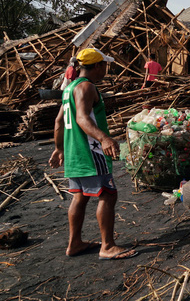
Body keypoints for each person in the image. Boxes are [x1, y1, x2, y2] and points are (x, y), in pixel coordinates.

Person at [49, 48, 138, 260]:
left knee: (79, 196)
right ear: (97, 66)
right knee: (107, 194)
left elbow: (59, 121)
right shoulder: (87, 87)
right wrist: (104, 138)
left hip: (73, 153)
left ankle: (75, 243)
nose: (106, 68)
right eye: (105, 65)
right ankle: (107, 246)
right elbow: (82, 118)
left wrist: (59, 148)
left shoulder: (69, 88)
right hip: (90, 151)